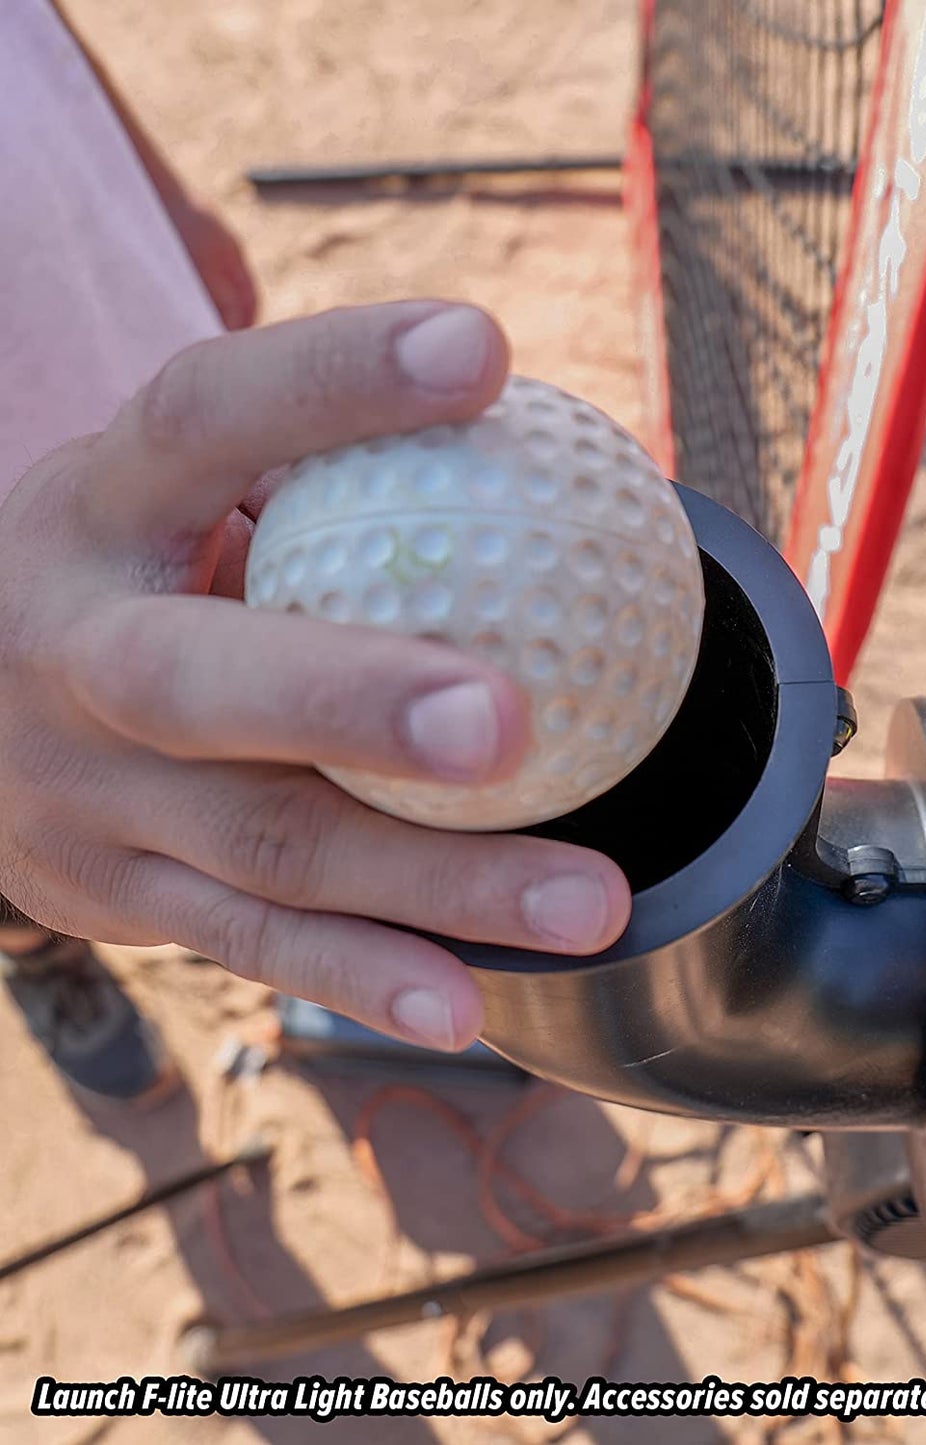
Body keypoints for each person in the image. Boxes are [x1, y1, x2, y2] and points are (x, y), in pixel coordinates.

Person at [0, 0, 631, 1101]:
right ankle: (34, 946)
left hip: (78, 264)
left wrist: (146, 182)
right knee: (64, 829)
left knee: (244, 738)